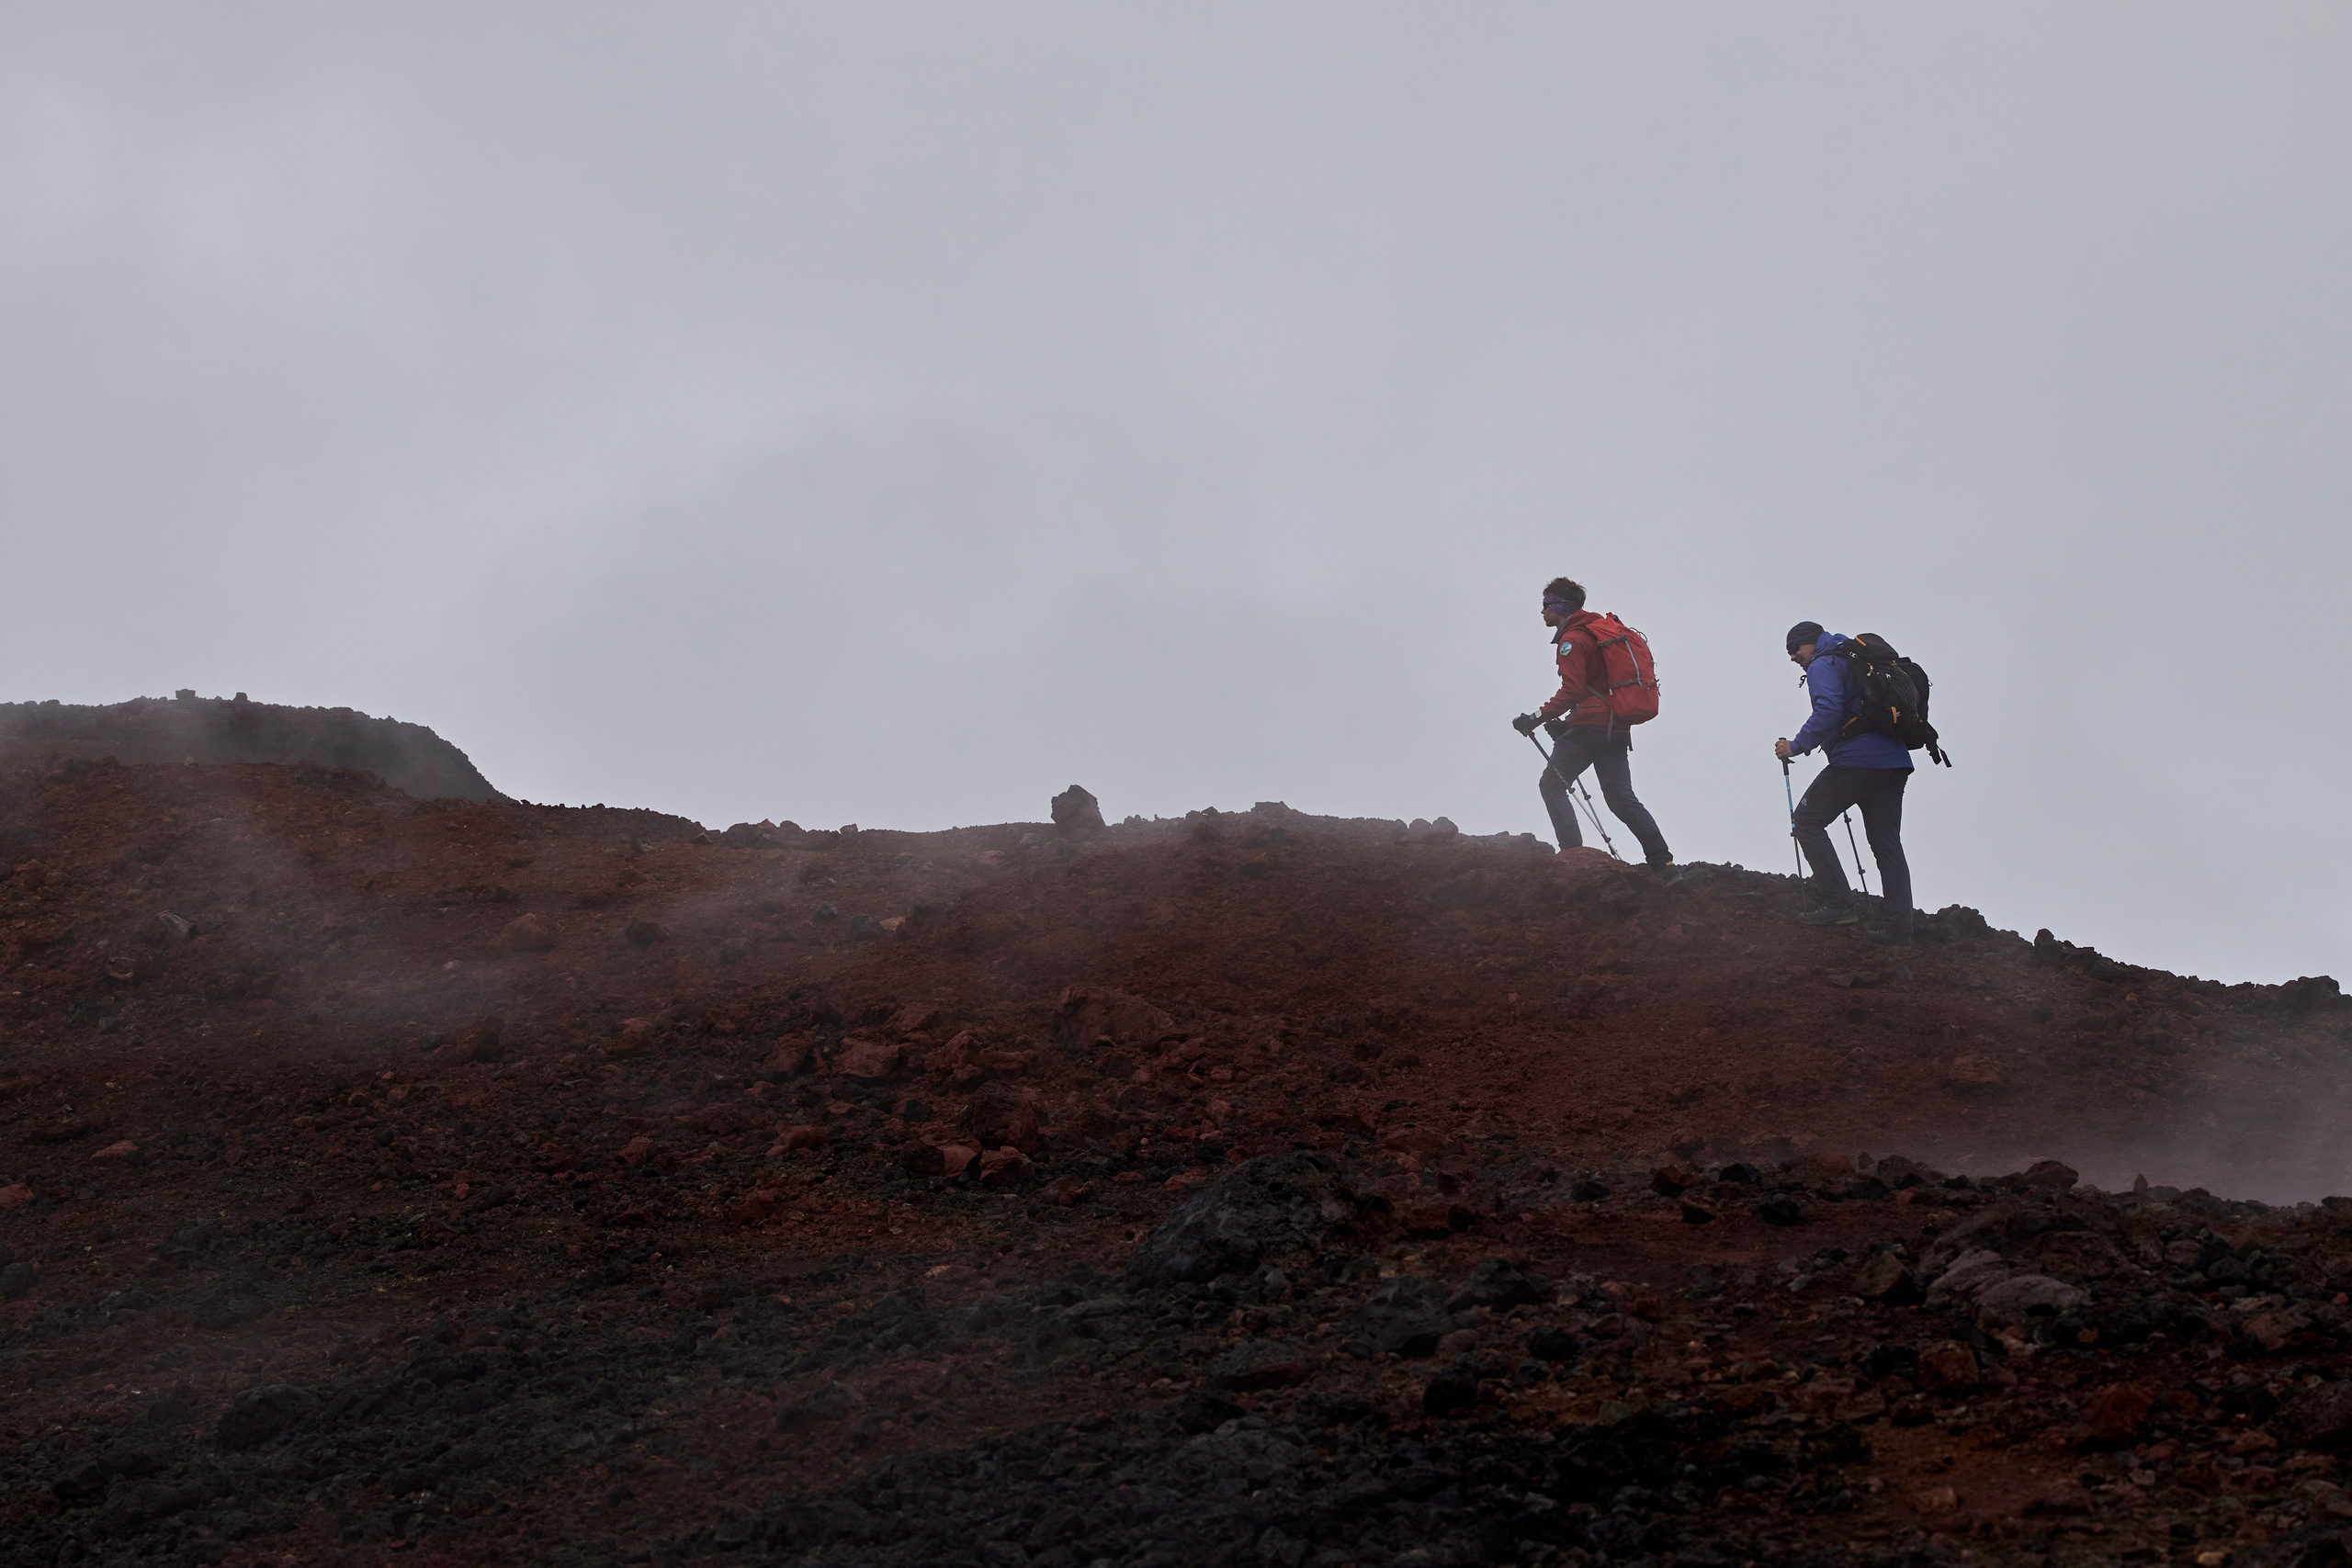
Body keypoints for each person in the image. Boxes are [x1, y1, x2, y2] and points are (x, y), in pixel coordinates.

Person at [1512, 577, 1680, 881]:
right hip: (1615, 728)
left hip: (1591, 727)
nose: (1542, 611)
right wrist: (1567, 725)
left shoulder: (1572, 640)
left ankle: (1572, 855)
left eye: (1546, 605)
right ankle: (1664, 864)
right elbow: (1597, 689)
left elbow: (1573, 690)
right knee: (1620, 798)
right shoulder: (1595, 632)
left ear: (1560, 607)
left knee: (1551, 785)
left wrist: (1535, 717)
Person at [1774, 620, 1914, 944]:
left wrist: (1795, 745)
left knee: (1806, 821)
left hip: (1857, 761)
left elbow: (1829, 710)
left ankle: (1838, 904)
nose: (1793, 657)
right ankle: (1900, 929)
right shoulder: (1850, 658)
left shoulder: (1823, 663)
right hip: (1893, 761)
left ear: (1811, 642)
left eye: (1794, 649)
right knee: (1886, 842)